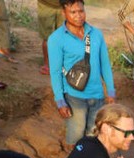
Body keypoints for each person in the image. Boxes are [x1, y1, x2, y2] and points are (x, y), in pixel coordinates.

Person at [48, 0, 116, 148]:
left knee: (94, 136)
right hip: (74, 97)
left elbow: (104, 64)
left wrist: (110, 91)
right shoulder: (56, 39)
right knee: (76, 139)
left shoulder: (96, 34)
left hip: (97, 95)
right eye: (73, 12)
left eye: (81, 11)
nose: (78, 16)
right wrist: (60, 101)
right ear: (63, 13)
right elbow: (55, 72)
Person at [38, 0, 63, 75]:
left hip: (64, 4)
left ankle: (48, 65)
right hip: (47, 4)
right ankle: (48, 65)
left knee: (63, 36)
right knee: (47, 38)